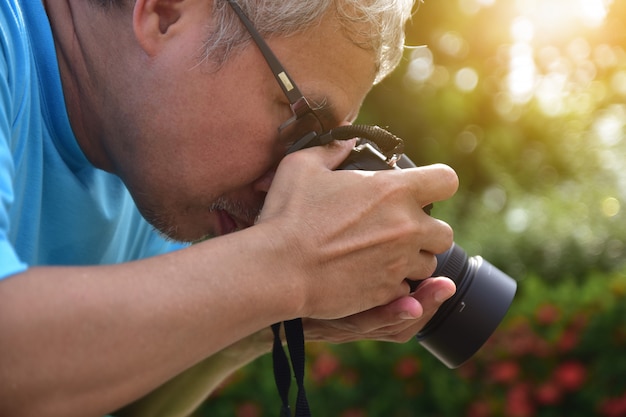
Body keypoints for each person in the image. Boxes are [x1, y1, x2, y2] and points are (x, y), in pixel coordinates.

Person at [0, 0, 459, 416]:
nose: (295, 174)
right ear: (164, 13)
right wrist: (287, 264)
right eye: (303, 126)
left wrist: (253, 325)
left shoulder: (159, 172)